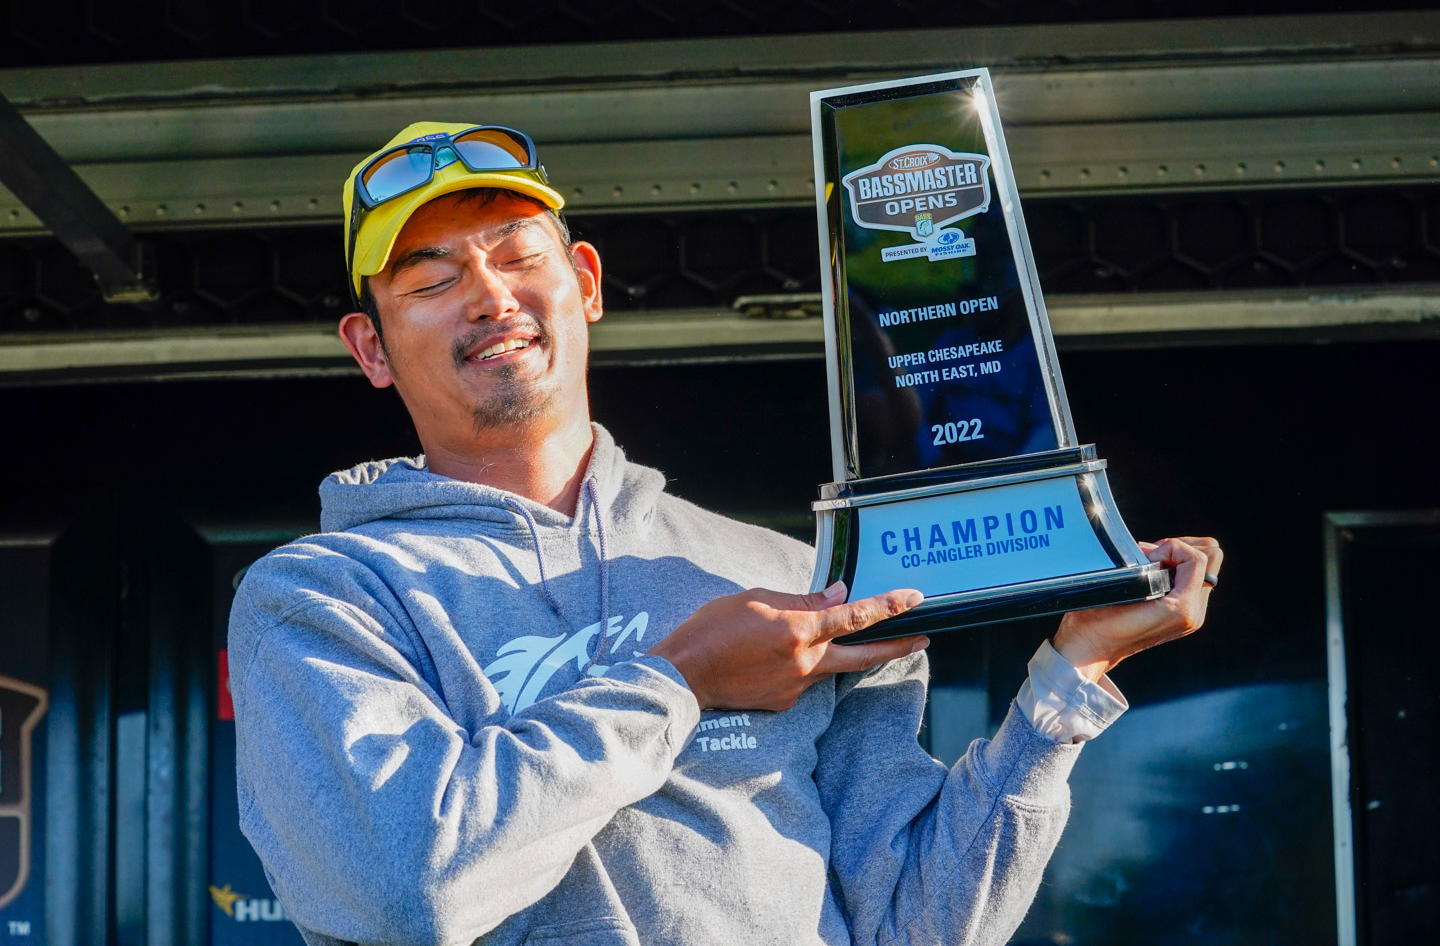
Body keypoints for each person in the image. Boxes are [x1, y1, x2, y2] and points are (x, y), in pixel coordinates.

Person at [228, 122, 1222, 946]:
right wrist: (684, 678)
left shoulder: (787, 577)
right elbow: (410, 891)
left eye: (519, 256)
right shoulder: (322, 597)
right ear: (371, 347)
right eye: (431, 279)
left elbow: (914, 925)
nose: (491, 296)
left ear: (585, 282)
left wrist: (1070, 679)